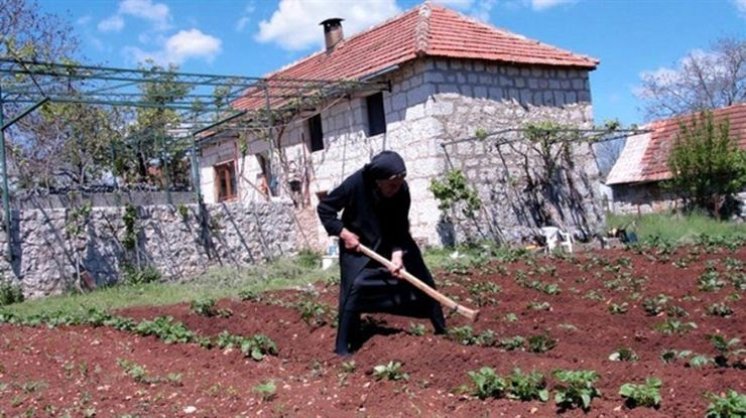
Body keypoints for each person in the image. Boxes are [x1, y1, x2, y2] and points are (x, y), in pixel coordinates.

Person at [317, 150, 447, 356]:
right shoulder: (355, 184)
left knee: (420, 275)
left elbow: (400, 227)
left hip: (390, 240)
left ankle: (441, 330)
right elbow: (325, 208)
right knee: (355, 286)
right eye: (392, 185)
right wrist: (344, 233)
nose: (397, 189)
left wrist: (397, 255)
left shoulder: (401, 191)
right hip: (357, 244)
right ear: (378, 180)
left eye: (399, 184)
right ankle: (343, 346)